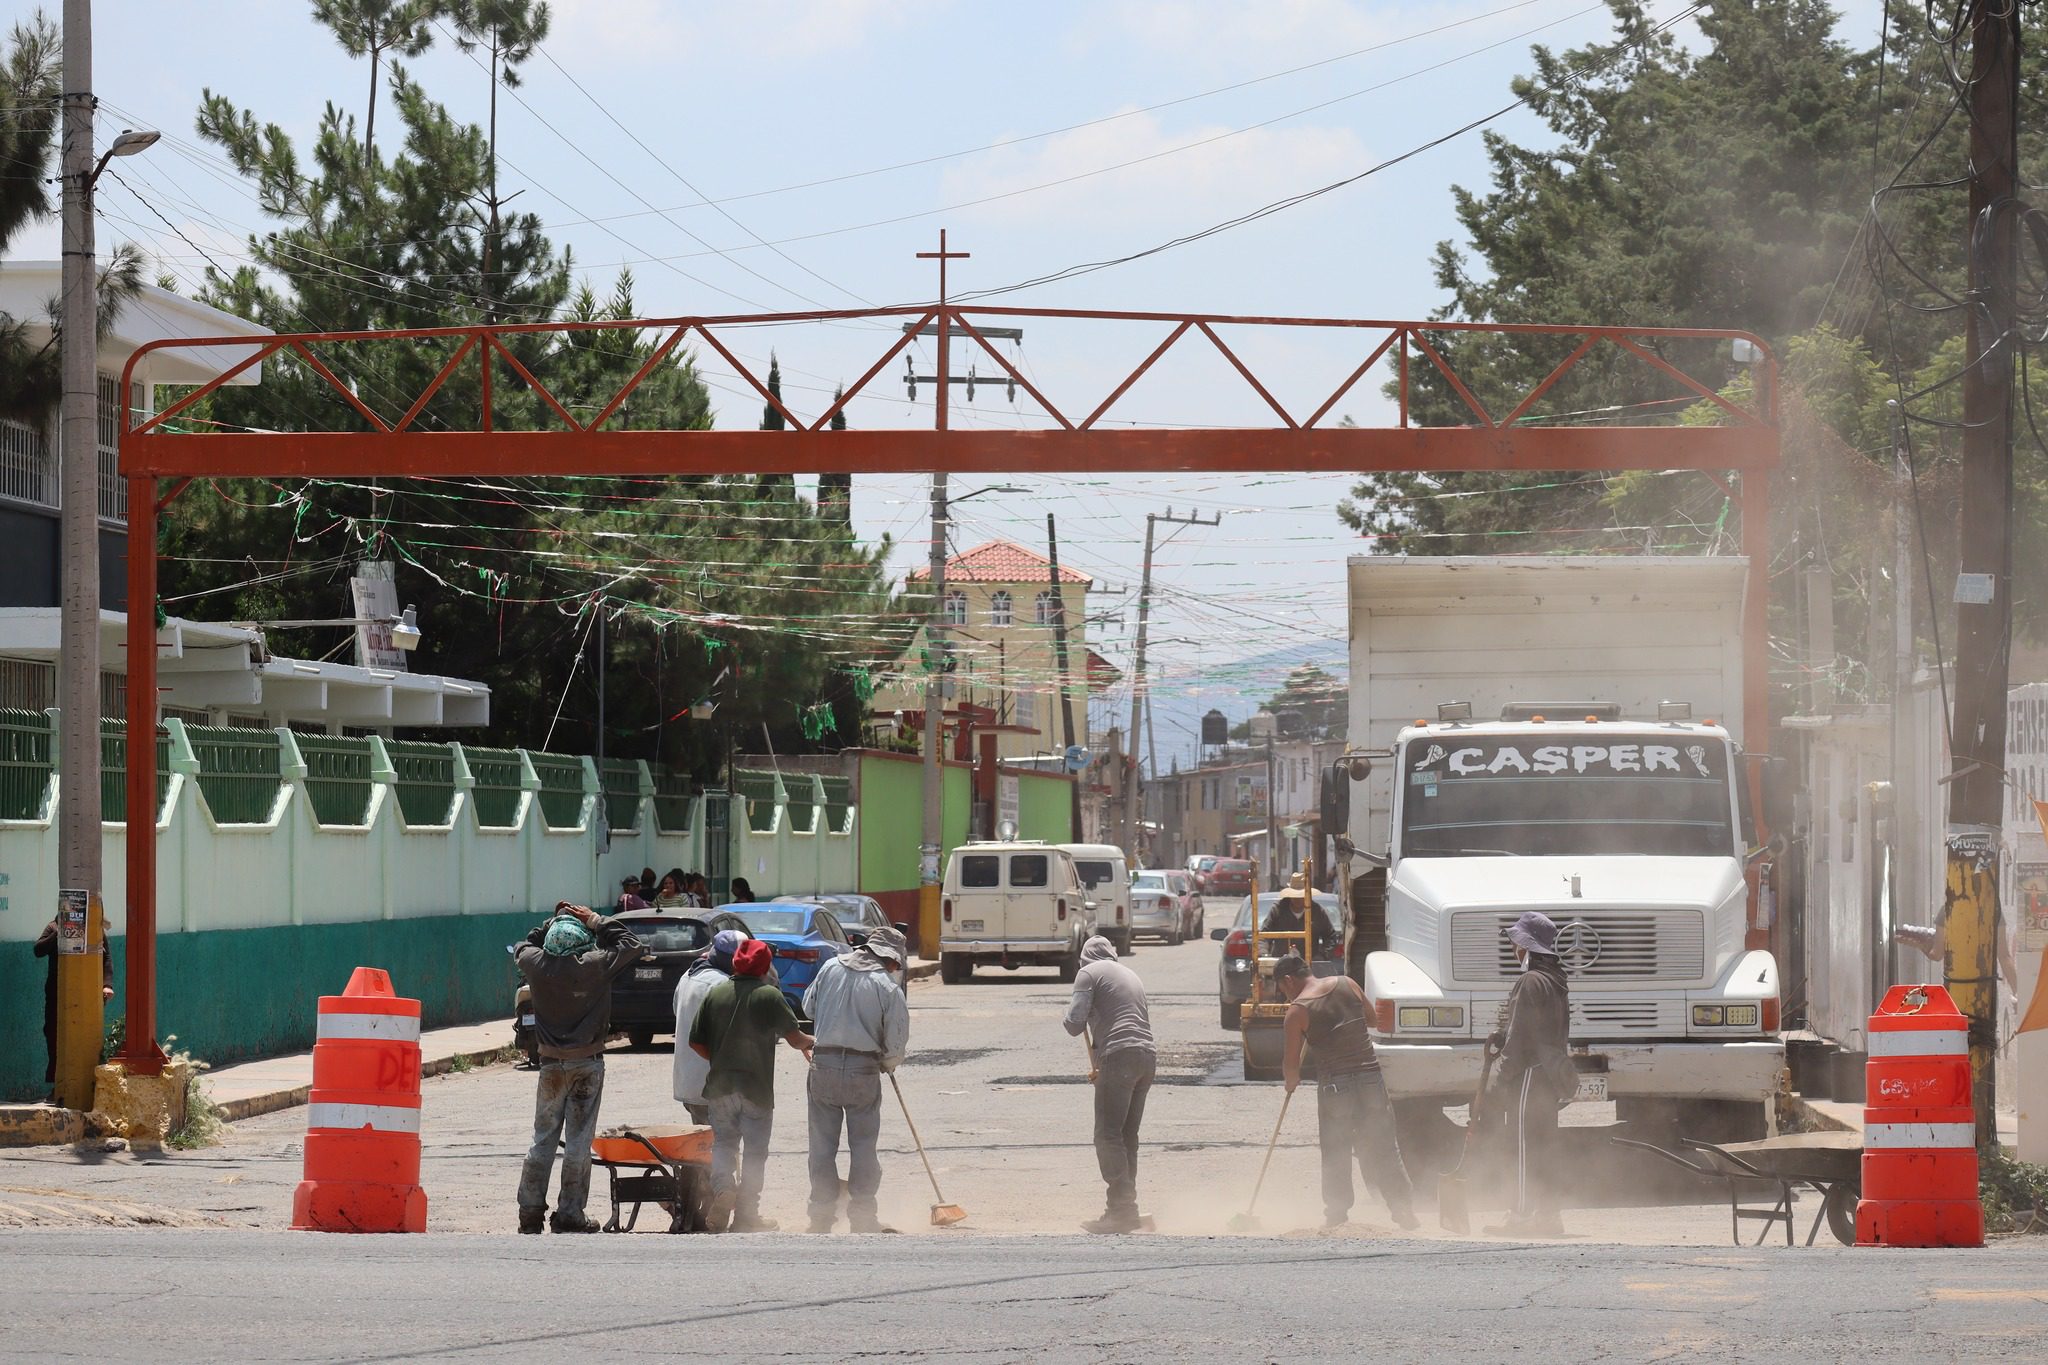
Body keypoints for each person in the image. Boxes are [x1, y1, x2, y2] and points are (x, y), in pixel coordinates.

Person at [513, 902, 646, 1234]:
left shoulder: (537, 964)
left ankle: (530, 1211)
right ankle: (570, 1212)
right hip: (587, 1063)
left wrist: (552, 920)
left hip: (549, 1065)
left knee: (542, 1139)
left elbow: (522, 945)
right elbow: (632, 944)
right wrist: (595, 919)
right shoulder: (595, 965)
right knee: (577, 1142)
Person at [1275, 954, 1418, 1230]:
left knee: (1336, 1152)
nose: (1285, 994)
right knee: (1384, 1147)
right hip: (1370, 1079)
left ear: (1289, 980)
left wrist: (1290, 1082)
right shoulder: (1347, 984)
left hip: (1335, 1086)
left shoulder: (1297, 1011)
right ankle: (1403, 1210)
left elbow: (1291, 1065)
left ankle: (1337, 1214)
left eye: (1282, 989)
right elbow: (1372, 1019)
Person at [690, 938, 813, 1231]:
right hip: (756, 1090)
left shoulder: (716, 993)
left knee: (724, 1144)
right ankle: (746, 1216)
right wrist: (815, 1042)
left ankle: (722, 1190)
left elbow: (696, 1042)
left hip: (720, 1087)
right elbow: (796, 1039)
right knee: (756, 1153)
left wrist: (719, 1057)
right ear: (764, 966)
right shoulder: (769, 995)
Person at [802, 925, 909, 1234]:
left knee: (821, 1147)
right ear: (888, 958)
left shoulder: (829, 968)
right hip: (863, 1071)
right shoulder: (886, 986)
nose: (894, 968)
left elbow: (808, 1007)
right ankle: (863, 1217)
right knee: (863, 1146)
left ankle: (821, 1217)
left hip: (823, 1065)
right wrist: (888, 1063)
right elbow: (896, 1043)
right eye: (894, 963)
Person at [1484, 910, 1572, 1238]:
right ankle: (1549, 1217)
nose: (1513, 949)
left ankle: (1520, 1217)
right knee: (1544, 1147)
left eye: (1516, 943)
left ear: (1528, 947)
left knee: (1521, 1146)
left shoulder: (1530, 981)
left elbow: (1521, 1038)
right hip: (1548, 1077)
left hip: (1529, 1078)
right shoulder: (1555, 980)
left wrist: (1501, 1079)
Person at [1061, 934, 1155, 1233]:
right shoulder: (1130, 974)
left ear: (1084, 957)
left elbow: (1075, 1024)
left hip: (1120, 1057)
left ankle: (1123, 1210)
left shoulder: (1088, 973)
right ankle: (1125, 1206)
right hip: (1146, 1058)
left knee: (1107, 1135)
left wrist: (1074, 1015)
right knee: (1128, 1136)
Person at [672, 928, 745, 1124]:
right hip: (714, 1086)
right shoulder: (723, 984)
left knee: (705, 1145)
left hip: (688, 1082)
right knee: (722, 1147)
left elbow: (676, 1012)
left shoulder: (688, 975)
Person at [33, 916, 113, 1091]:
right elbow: (38, 950)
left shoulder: (94, 929)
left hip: (87, 993)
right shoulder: (53, 927)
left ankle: (87, 1085)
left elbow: (106, 958)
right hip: (57, 992)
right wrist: (61, 932)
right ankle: (58, 1085)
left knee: (85, 1035)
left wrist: (107, 985)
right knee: (54, 1034)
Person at [1260, 876, 1340, 960]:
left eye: (1301, 895)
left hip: (1309, 965)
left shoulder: (1317, 911)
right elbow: (1263, 936)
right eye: (1295, 895)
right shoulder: (1278, 910)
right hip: (1281, 963)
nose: (1298, 899)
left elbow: (1330, 937)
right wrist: (1263, 955)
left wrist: (1322, 956)